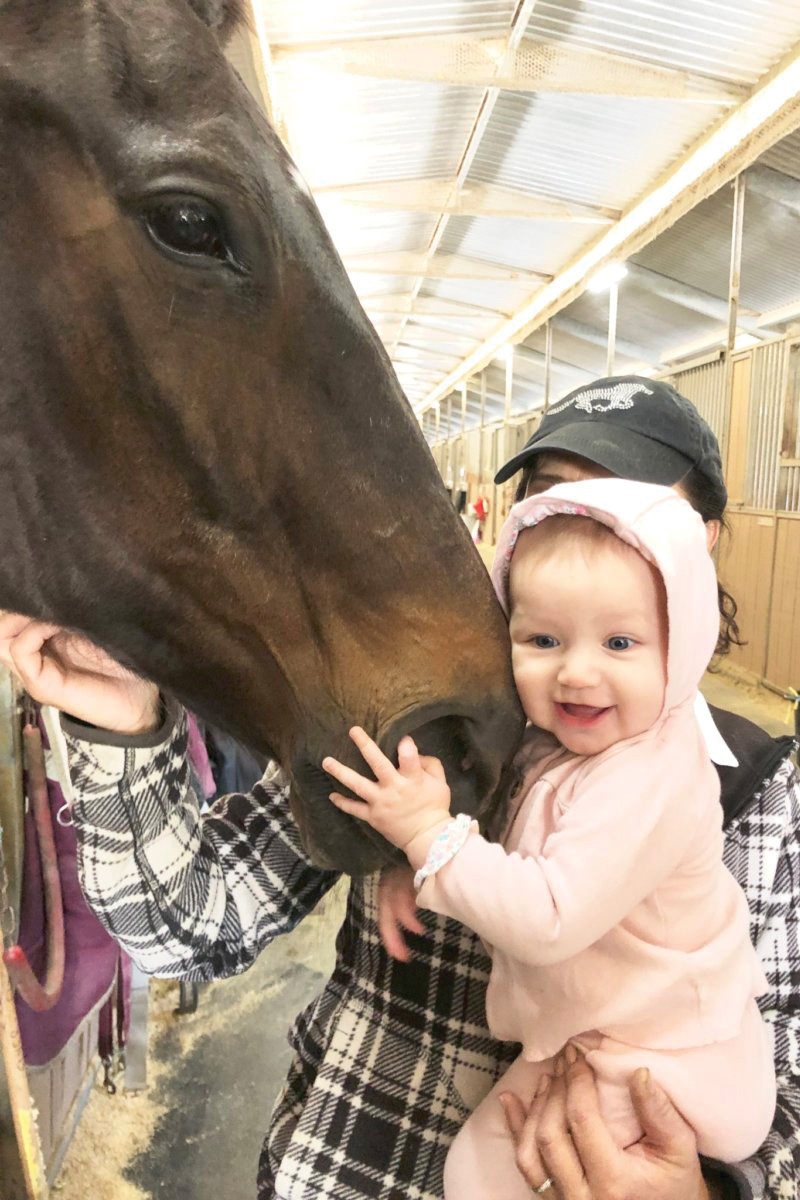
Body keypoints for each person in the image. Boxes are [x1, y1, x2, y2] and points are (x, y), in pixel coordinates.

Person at [0, 376, 797, 1200]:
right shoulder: (420, 713)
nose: (588, 526)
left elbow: (789, 1093)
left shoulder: (759, 788)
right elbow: (189, 922)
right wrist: (123, 724)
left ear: (697, 546)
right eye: (554, 502)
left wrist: (709, 1193)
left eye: (624, 505)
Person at [321, 477, 776, 1197]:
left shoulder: (654, 775)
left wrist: (429, 838)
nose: (576, 672)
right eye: (542, 639)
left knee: (479, 1176)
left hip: (671, 1060)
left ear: (682, 646)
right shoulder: (556, 744)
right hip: (604, 1039)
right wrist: (422, 858)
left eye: (619, 641)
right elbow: (516, 829)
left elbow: (549, 916)